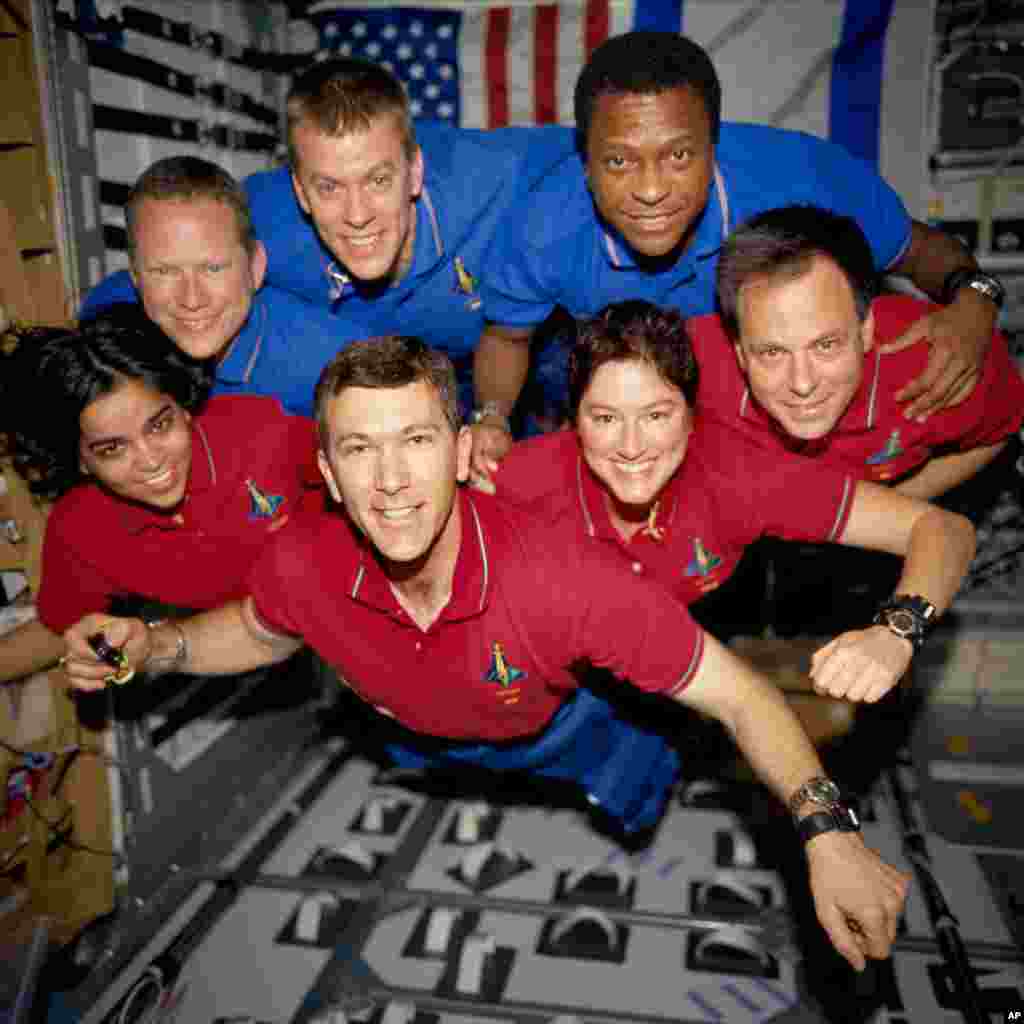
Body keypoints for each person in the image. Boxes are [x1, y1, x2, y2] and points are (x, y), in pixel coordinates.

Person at [61, 335, 908, 972]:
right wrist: (163, 645)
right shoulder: (298, 561)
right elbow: (254, 628)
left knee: (634, 799)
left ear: (465, 454)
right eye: (360, 449)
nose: (390, 479)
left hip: (574, 724)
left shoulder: (570, 580)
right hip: (417, 733)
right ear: (326, 467)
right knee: (431, 753)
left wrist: (827, 835)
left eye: (418, 441)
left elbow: (740, 696)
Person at [469, 30, 1005, 483]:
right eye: (619, 162)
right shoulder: (542, 228)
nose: (651, 190)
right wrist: (492, 416)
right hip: (661, 423)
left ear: (714, 144)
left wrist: (975, 301)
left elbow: (920, 251)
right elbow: (507, 336)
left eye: (679, 155)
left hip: (797, 420)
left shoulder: (807, 179)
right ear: (585, 163)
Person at [483, 301, 975, 702]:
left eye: (656, 415)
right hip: (557, 681)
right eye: (606, 418)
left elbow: (942, 530)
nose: (631, 447)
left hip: (683, 662)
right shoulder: (523, 480)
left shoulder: (738, 475)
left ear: (692, 416)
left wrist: (897, 631)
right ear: (575, 422)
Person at [243, 56, 575, 418]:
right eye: (329, 187)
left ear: (415, 172)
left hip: (523, 361)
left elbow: (611, 146)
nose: (358, 215)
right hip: (386, 387)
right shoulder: (257, 218)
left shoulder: (495, 174)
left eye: (379, 180)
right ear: (300, 192)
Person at [0, 306, 317, 685]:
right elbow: (63, 628)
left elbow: (360, 467)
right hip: (260, 639)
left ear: (183, 407)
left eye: (159, 425)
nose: (151, 460)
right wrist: (106, 652)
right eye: (112, 449)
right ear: (79, 461)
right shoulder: (81, 531)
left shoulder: (259, 433)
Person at [694, 204, 1024, 499]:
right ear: (739, 353)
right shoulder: (689, 366)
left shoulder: (938, 362)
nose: (802, 384)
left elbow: (1003, 427)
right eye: (772, 353)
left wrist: (884, 511)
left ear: (866, 331)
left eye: (826, 345)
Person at [79, 156, 375, 416]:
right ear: (136, 278)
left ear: (255, 268)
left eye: (213, 268)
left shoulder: (339, 370)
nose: (192, 299)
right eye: (164, 271)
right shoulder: (104, 323)